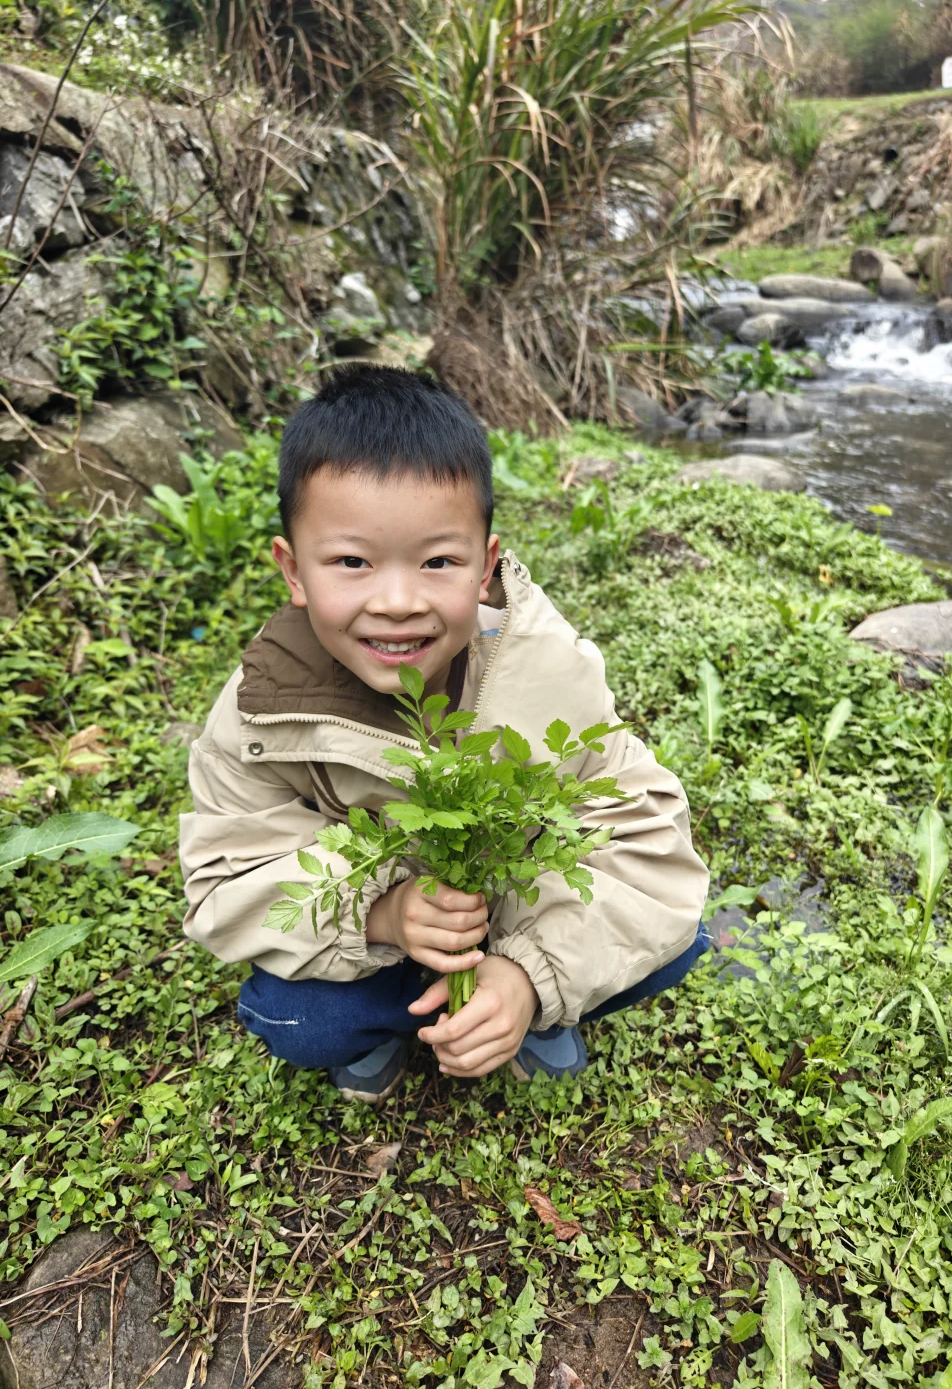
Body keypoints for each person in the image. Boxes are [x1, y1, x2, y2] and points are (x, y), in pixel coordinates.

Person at [179, 366, 710, 1105]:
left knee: (677, 939)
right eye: (352, 562)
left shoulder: (551, 673)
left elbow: (645, 849)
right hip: (377, 951)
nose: (398, 602)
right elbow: (226, 879)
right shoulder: (261, 712)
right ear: (293, 570)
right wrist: (383, 915)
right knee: (296, 1019)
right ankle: (382, 1027)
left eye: (438, 562)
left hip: (521, 925)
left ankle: (529, 1010)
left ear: (485, 566)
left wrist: (527, 976)